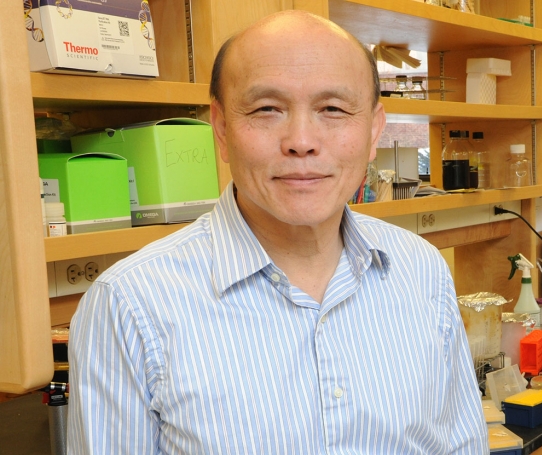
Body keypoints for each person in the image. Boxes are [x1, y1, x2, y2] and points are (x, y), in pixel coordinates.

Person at [67, 11, 487, 454]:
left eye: (333, 109)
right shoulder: (129, 306)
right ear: (222, 127)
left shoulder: (421, 270)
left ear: (373, 131)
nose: (301, 140)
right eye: (267, 109)